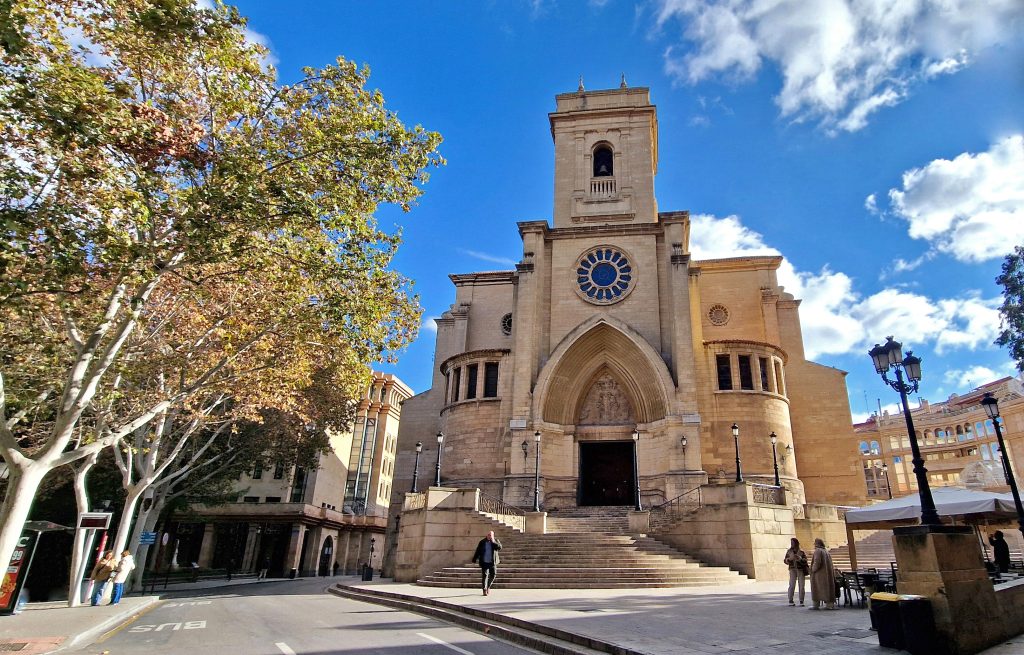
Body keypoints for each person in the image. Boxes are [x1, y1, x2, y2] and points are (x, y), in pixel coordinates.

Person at [471, 530, 502, 596]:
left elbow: (499, 548)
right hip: (484, 562)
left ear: (493, 536)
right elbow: (478, 551)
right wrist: (474, 559)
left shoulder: (495, 541)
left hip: (492, 562)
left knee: (493, 575)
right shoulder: (482, 542)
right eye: (489, 535)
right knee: (485, 576)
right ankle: (484, 590)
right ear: (486, 535)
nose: (489, 536)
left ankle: (488, 586)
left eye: (491, 535)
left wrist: (493, 541)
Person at [809, 538, 836, 610]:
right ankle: (829, 604)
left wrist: (812, 569)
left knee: (817, 589)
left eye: (815, 543)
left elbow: (817, 562)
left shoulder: (818, 551)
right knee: (827, 589)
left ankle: (816, 604)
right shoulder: (826, 551)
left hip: (819, 575)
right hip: (826, 574)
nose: (814, 544)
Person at [783, 538, 808, 606]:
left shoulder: (801, 552)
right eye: (791, 543)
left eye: (793, 542)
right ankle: (790, 600)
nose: (792, 544)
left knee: (801, 585)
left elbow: (805, 560)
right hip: (792, 569)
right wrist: (788, 559)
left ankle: (801, 601)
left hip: (800, 570)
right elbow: (785, 560)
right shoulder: (789, 551)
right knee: (792, 585)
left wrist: (800, 559)